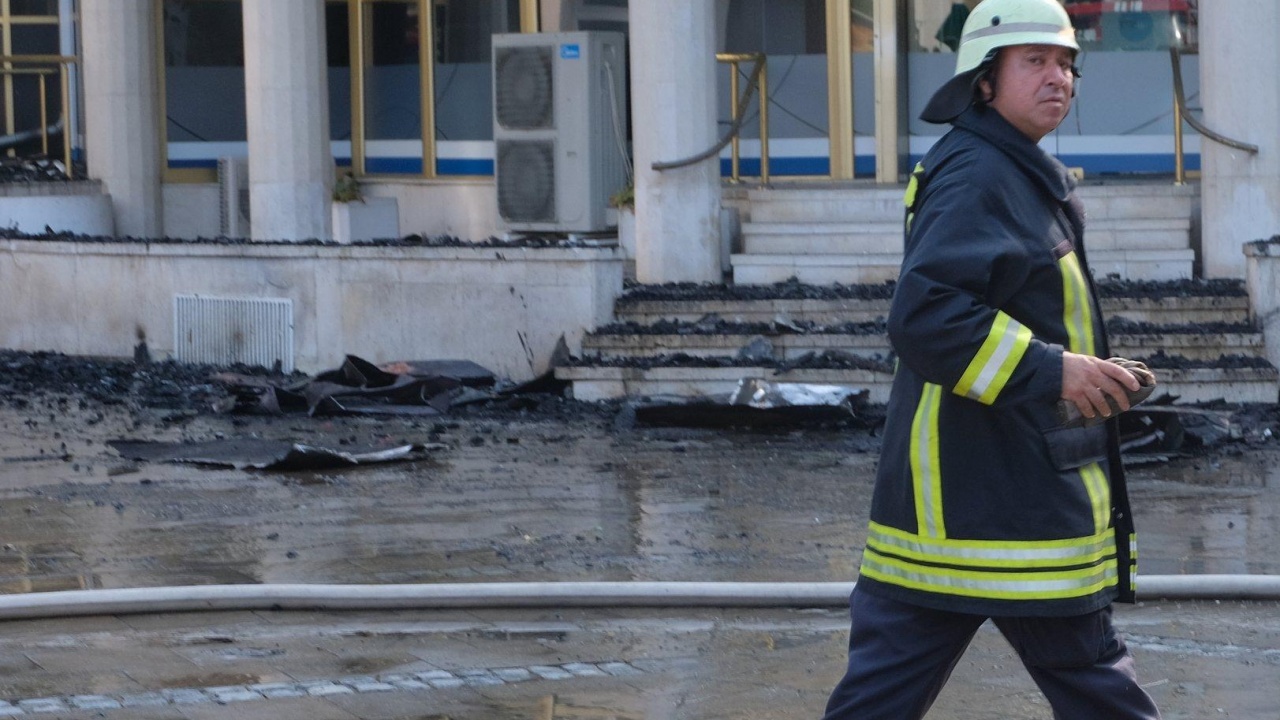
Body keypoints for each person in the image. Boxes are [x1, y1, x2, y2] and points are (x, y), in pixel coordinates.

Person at [820, 0, 1163, 717]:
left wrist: (1085, 370)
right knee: (1100, 689)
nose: (1059, 78)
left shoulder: (1007, 169)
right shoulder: (983, 175)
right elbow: (925, 316)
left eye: (1067, 63)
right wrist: (1056, 371)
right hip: (993, 506)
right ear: (984, 80)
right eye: (1035, 61)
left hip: (980, 507)